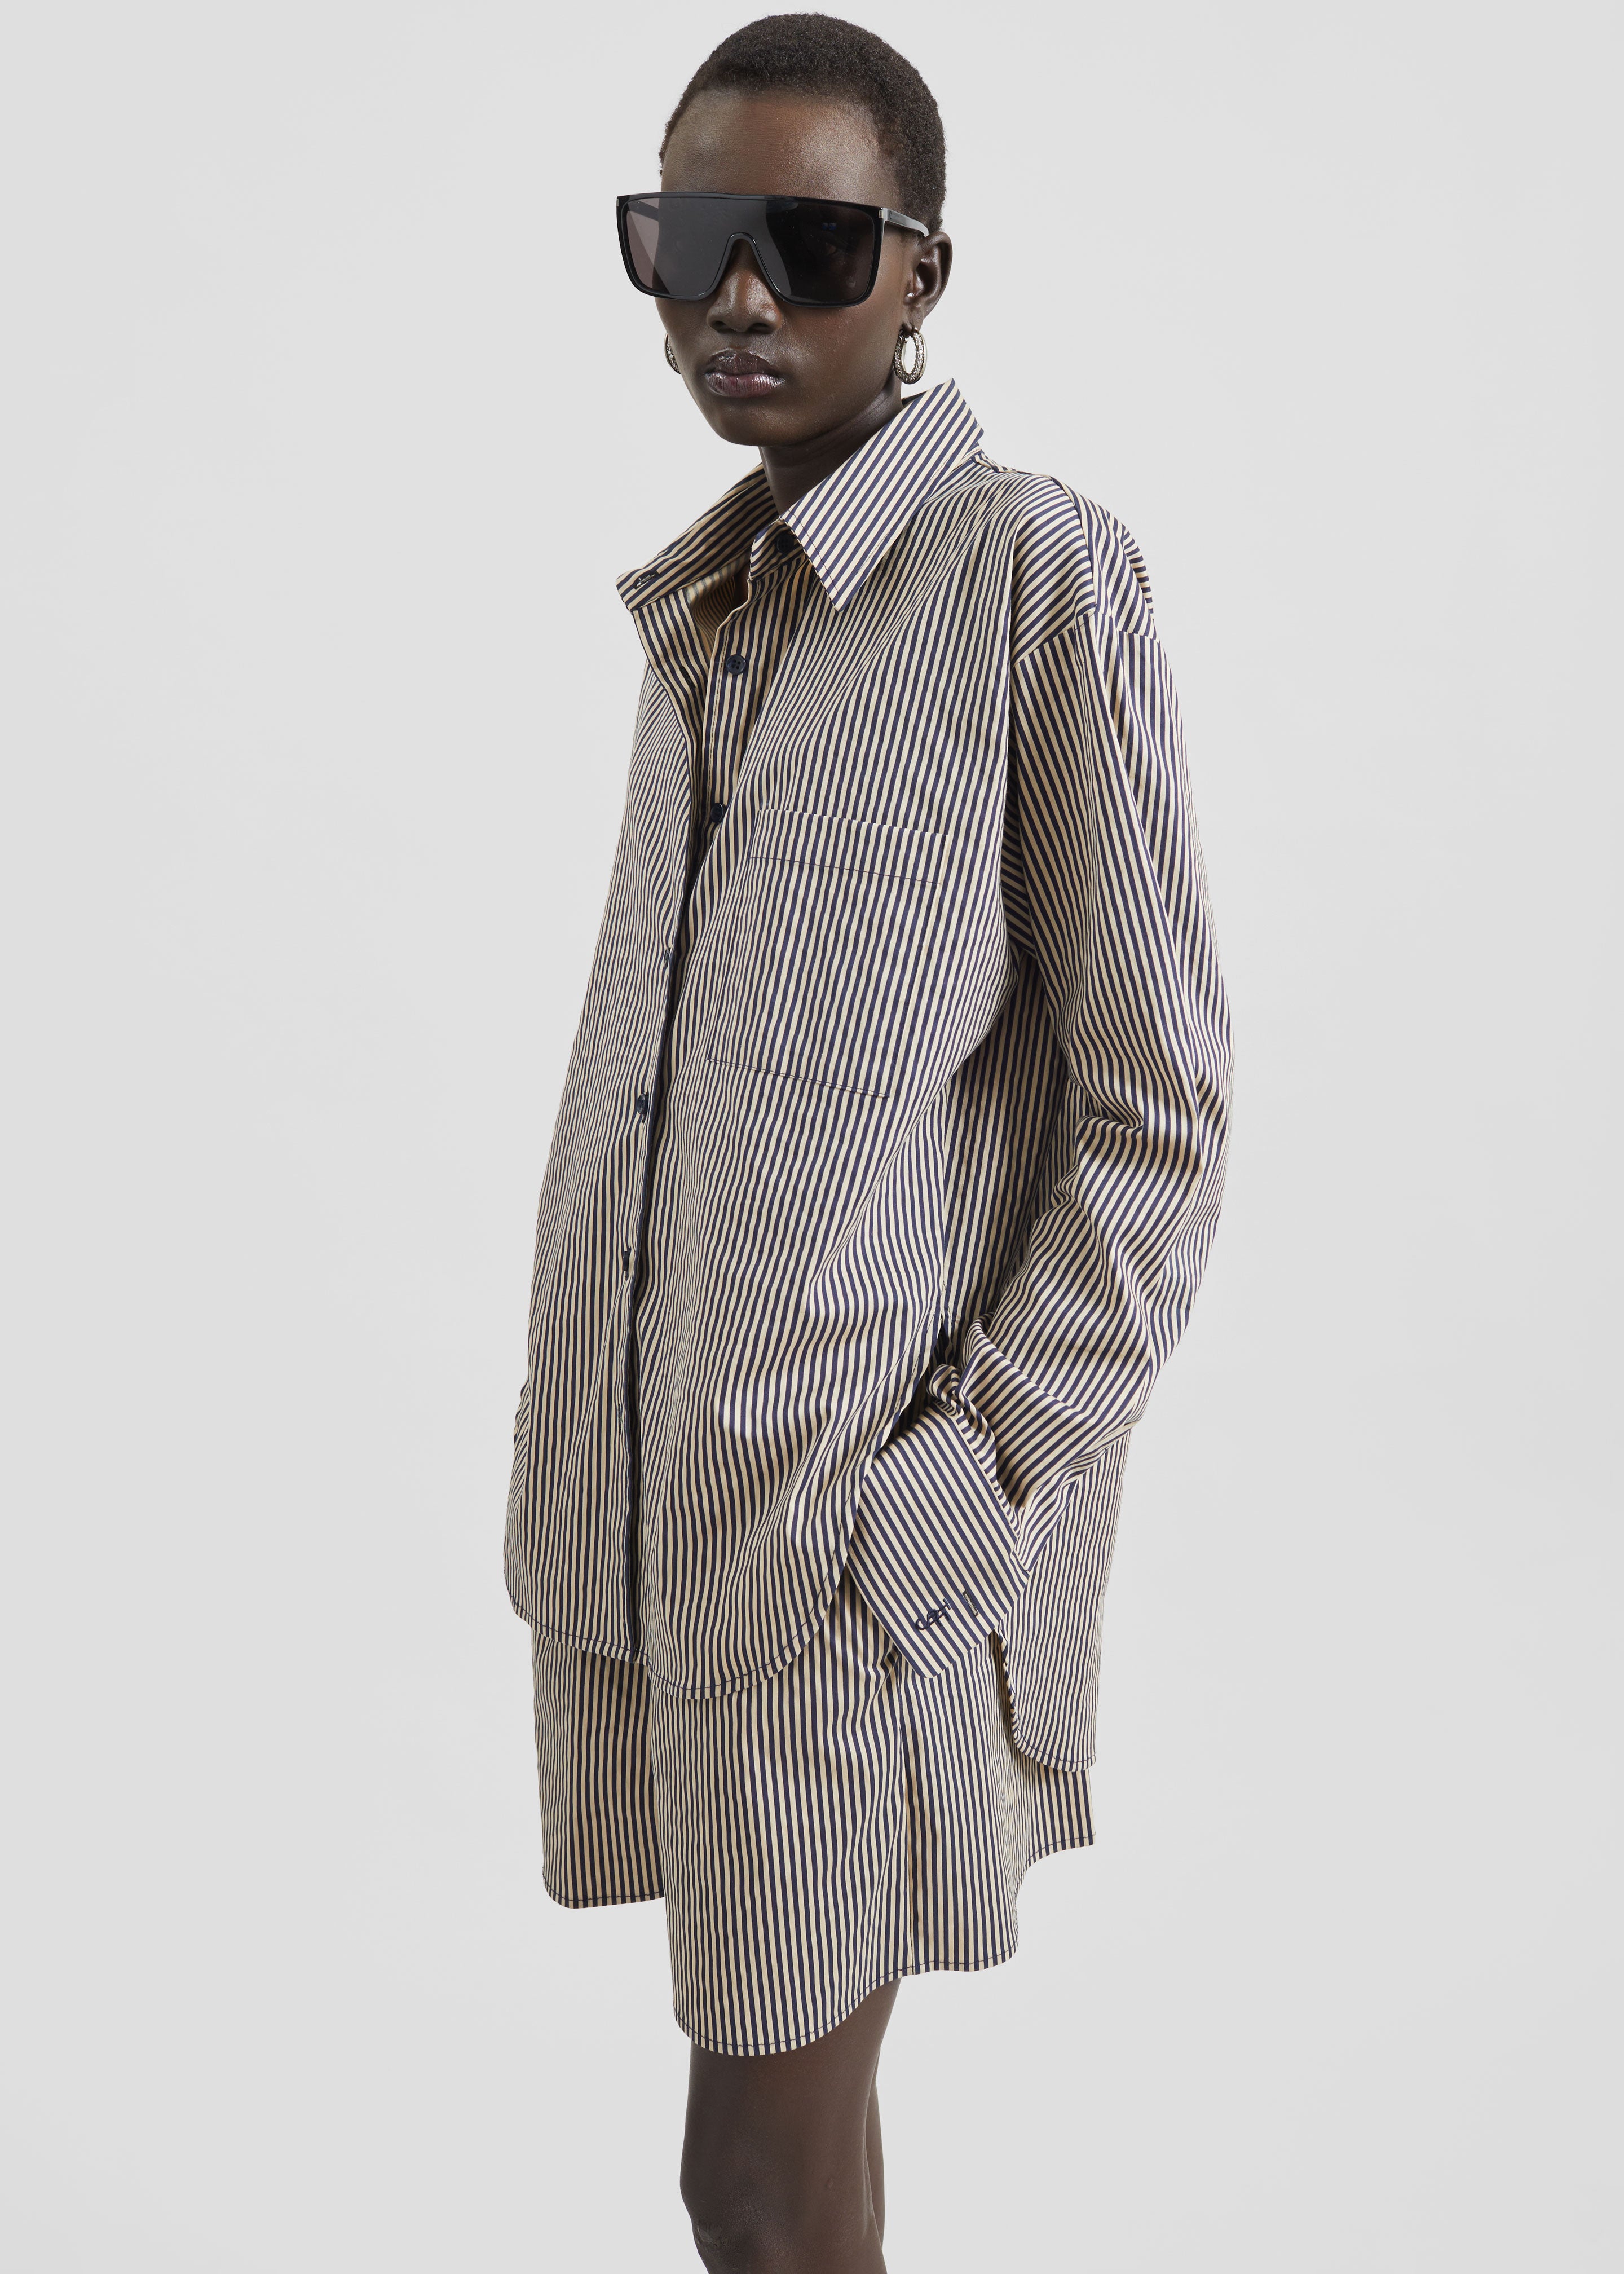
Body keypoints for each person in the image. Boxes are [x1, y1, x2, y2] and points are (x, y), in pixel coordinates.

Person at [504, 15, 1232, 2268]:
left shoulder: (1032, 578)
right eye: (692, 239)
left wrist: (973, 1466)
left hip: (849, 1534)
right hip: (660, 1509)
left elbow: (1160, 1109)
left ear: (920, 273)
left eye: (810, 246)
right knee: (760, 2158)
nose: (741, 296)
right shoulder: (709, 613)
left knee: (750, 2171)